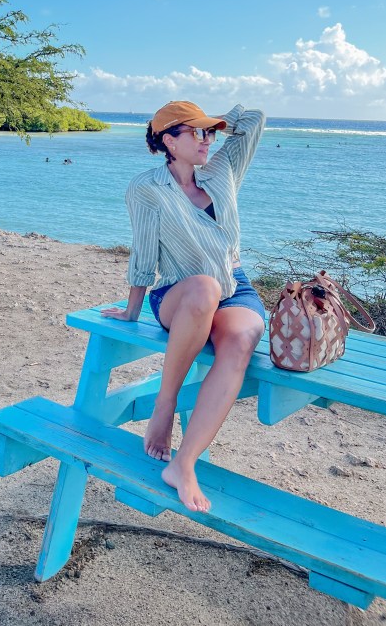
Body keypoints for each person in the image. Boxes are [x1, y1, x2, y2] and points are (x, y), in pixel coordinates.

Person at [101, 100, 266, 513]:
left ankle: (184, 463)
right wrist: (132, 309)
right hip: (178, 294)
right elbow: (143, 252)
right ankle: (165, 404)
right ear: (169, 142)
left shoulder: (222, 170)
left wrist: (212, 120)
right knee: (204, 288)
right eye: (196, 133)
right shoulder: (147, 188)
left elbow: (254, 120)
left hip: (234, 288)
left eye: (210, 133)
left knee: (243, 337)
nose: (208, 140)